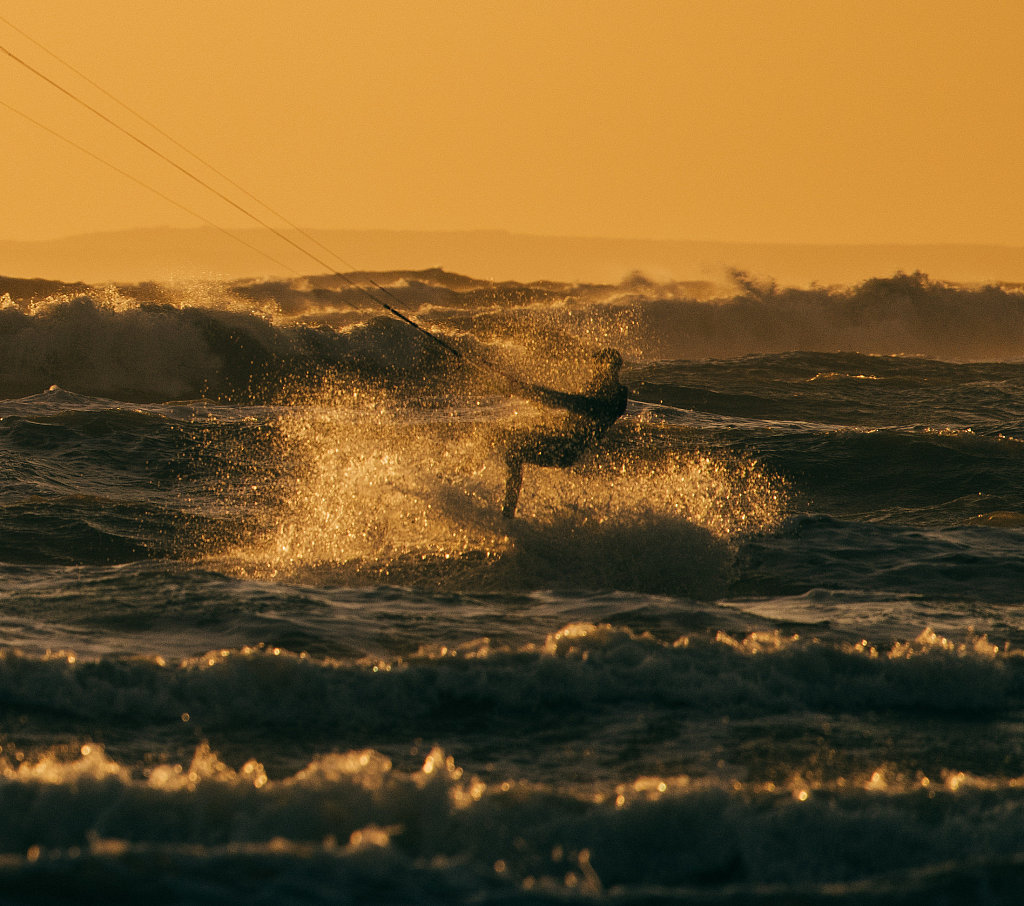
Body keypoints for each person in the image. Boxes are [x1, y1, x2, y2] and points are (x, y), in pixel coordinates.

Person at [499, 348, 628, 518]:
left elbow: (570, 402)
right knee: (509, 435)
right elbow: (572, 411)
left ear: (610, 369)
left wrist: (527, 391)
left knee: (514, 453)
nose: (596, 372)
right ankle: (507, 514)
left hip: (566, 451)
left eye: (599, 368)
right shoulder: (602, 391)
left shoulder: (611, 400)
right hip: (561, 441)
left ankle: (507, 516)